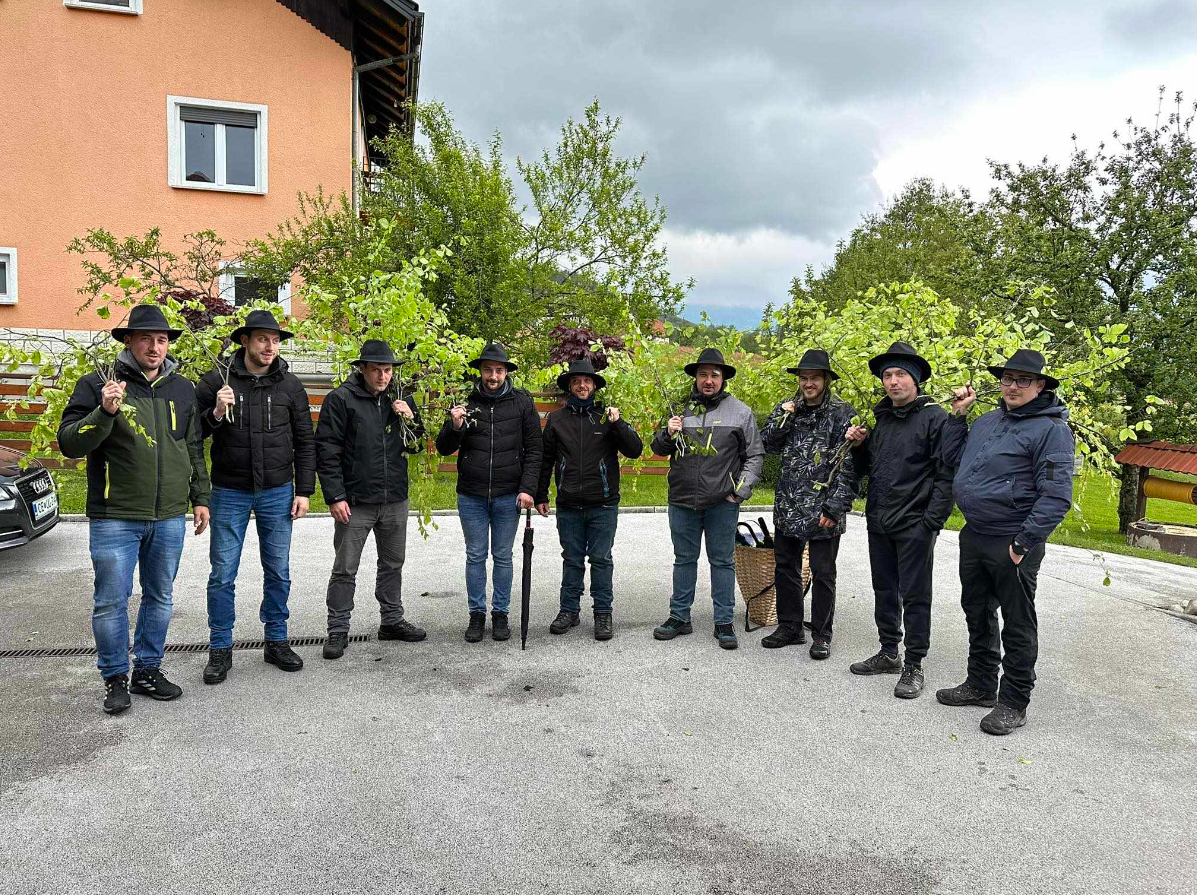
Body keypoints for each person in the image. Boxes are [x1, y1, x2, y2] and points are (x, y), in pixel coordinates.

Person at [58, 303, 210, 714]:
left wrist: (200, 497)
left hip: (169, 515)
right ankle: (114, 678)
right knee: (111, 600)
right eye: (146, 339)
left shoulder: (182, 388)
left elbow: (192, 446)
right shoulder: (99, 383)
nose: (155, 347)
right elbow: (70, 442)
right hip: (116, 516)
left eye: (161, 340)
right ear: (129, 341)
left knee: (160, 596)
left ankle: (147, 670)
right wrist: (104, 411)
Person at [936, 349, 1075, 735]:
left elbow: (1057, 495)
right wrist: (957, 417)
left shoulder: (1052, 430)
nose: (1013, 386)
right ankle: (981, 684)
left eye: (1023, 380)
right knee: (976, 610)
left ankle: (1014, 702)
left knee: (1017, 623)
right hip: (975, 534)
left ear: (1040, 386)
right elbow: (951, 459)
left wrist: (1023, 543)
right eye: (1007, 379)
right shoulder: (987, 421)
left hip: (1013, 540)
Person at [194, 309, 315, 684]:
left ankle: (276, 640)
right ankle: (220, 647)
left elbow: (305, 441)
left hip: (277, 491)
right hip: (229, 491)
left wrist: (304, 490)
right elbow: (193, 434)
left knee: (278, 570)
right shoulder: (217, 380)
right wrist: (216, 410)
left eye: (275, 340)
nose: (270, 346)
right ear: (244, 341)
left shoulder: (290, 386)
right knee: (222, 574)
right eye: (263, 339)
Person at [845, 341, 967, 698]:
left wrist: (931, 522)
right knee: (884, 589)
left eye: (900, 374)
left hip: (914, 523)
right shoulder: (882, 418)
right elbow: (870, 468)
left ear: (915, 380)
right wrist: (858, 446)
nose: (893, 381)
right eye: (888, 375)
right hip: (879, 519)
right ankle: (888, 652)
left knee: (915, 595)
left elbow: (946, 472)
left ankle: (914, 664)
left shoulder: (935, 418)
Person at [315, 339, 426, 660]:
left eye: (387, 370)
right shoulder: (341, 400)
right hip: (355, 500)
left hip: (394, 498)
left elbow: (416, 444)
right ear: (362, 369)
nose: (382, 376)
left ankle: (391, 620)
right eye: (376, 370)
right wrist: (335, 496)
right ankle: (338, 629)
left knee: (392, 564)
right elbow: (327, 450)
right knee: (345, 568)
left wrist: (410, 419)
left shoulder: (400, 398)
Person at [650, 347, 764, 651]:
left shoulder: (740, 412)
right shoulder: (678, 408)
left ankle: (724, 622)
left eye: (714, 374)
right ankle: (679, 616)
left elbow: (754, 455)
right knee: (684, 559)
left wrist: (739, 492)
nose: (708, 380)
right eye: (703, 374)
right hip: (682, 499)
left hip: (721, 503)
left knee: (722, 561)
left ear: (723, 378)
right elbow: (658, 448)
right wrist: (668, 432)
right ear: (696, 377)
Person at [435, 342, 543, 643]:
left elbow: (535, 449)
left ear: (506, 372)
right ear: (480, 372)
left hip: (509, 493)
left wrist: (528, 488)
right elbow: (444, 447)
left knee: (503, 556)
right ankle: (476, 614)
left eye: (498, 370)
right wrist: (455, 425)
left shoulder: (522, 402)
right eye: (487, 370)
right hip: (472, 493)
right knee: (475, 555)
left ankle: (500, 614)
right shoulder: (465, 402)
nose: (493, 376)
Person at [759, 348, 860, 659]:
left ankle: (822, 634)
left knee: (823, 572)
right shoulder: (788, 408)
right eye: (804, 378)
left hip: (823, 508)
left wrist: (835, 507)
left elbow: (850, 465)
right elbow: (767, 444)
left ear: (826, 380)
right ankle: (790, 626)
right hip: (789, 503)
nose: (808, 383)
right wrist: (783, 417)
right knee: (785, 568)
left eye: (815, 377)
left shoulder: (843, 413)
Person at [535, 358, 643, 640]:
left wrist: (618, 424)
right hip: (569, 503)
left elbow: (635, 450)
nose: (582, 385)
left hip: (603, 503)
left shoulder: (607, 418)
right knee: (571, 559)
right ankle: (568, 610)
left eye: (587, 381)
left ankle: (603, 612)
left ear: (594, 385)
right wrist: (541, 494)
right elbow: (546, 459)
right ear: (570, 386)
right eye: (576, 381)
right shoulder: (557, 420)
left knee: (601, 559)